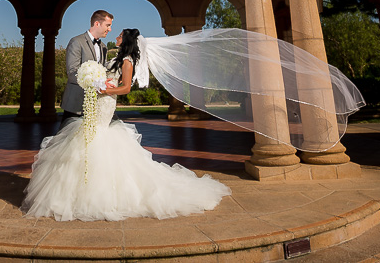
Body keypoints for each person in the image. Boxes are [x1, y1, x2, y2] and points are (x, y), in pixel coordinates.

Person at [22, 28, 231, 221]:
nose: (117, 35)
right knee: (86, 138)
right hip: (100, 100)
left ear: (127, 39)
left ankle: (98, 194)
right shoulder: (119, 56)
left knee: (96, 139)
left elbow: (126, 88)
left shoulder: (128, 60)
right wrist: (98, 80)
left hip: (106, 102)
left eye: (120, 34)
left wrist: (105, 90)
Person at [60, 10, 113, 126]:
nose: (110, 29)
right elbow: (72, 72)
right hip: (75, 103)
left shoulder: (104, 47)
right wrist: (96, 82)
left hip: (95, 103)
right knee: (67, 141)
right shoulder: (76, 42)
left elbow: (102, 71)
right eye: (108, 25)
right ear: (97, 24)